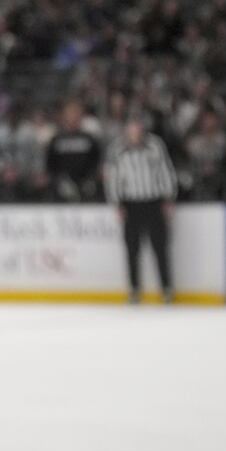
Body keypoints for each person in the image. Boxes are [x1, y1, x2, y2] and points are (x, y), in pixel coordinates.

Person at [105, 118, 179, 304]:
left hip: (153, 201)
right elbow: (113, 177)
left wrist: (168, 197)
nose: (134, 134)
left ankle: (166, 288)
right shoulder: (117, 148)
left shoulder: (155, 145)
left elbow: (165, 170)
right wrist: (117, 203)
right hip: (131, 204)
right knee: (132, 249)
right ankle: (134, 289)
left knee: (160, 248)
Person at [45, 99, 104, 203]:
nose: (73, 117)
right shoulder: (57, 139)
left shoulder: (88, 138)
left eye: (76, 114)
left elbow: (96, 160)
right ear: (64, 117)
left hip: (86, 183)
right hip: (63, 184)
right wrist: (60, 180)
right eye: (70, 114)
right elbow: (50, 164)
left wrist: (91, 178)